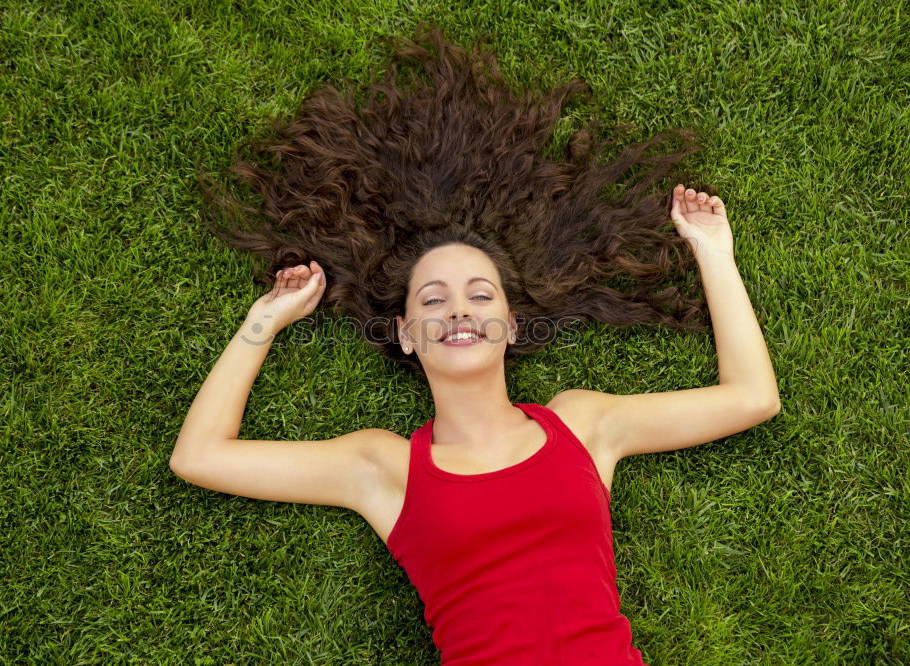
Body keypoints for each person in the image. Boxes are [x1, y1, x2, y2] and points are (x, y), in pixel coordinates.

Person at [169, 23, 781, 665]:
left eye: (481, 295)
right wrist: (264, 321)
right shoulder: (383, 470)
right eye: (432, 300)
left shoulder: (586, 424)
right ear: (406, 335)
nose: (459, 308)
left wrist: (714, 254)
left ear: (512, 325)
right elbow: (201, 456)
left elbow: (751, 396)